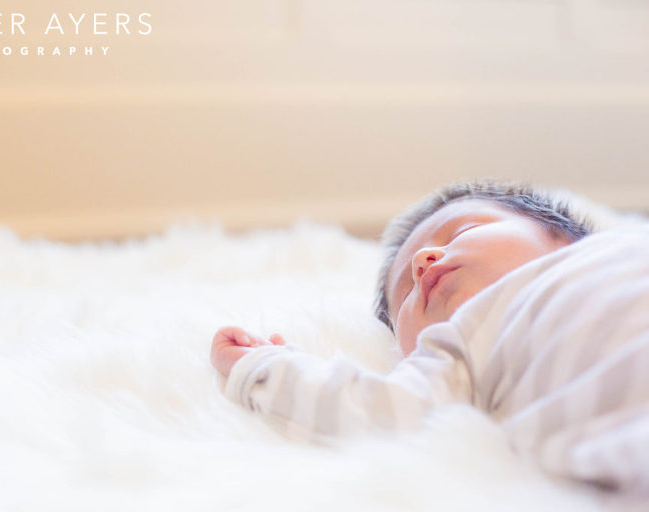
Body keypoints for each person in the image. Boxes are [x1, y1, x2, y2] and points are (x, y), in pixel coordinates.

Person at [210, 181, 649, 495]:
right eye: (404, 295)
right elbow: (375, 408)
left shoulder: (614, 248)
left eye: (463, 231)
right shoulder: (462, 343)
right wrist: (265, 366)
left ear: (557, 238)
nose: (423, 259)